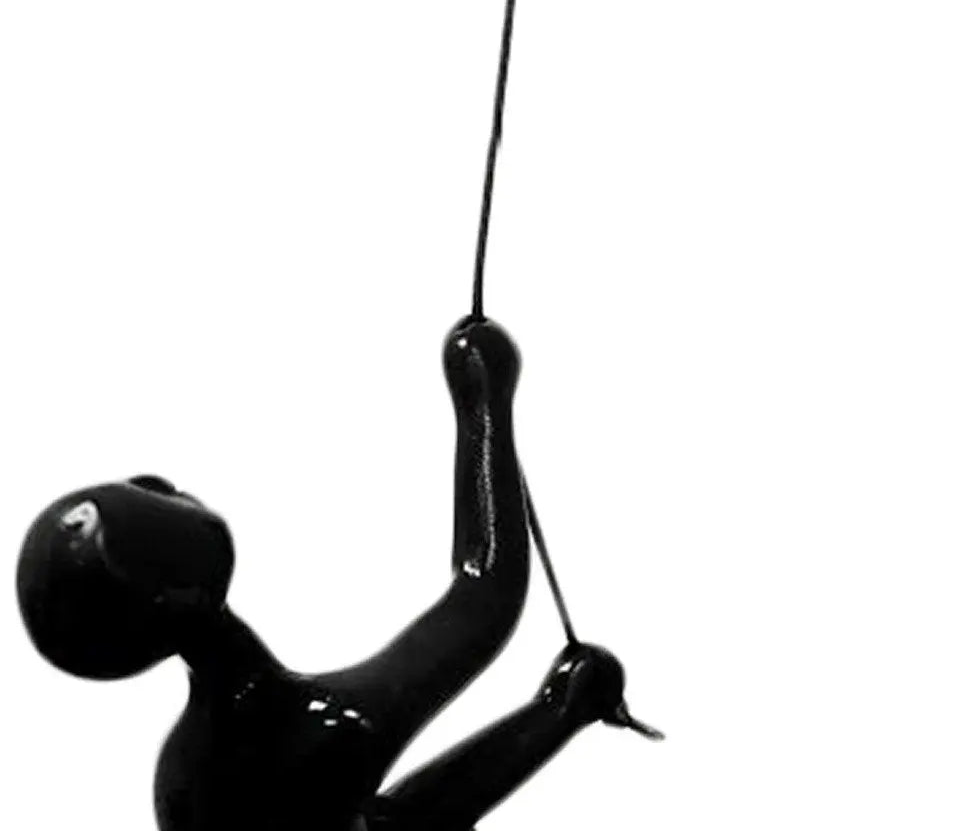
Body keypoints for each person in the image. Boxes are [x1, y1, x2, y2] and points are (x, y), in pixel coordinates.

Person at [17, 317, 645, 831]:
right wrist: (483, 402)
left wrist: (558, 710)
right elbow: (485, 596)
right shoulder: (315, 734)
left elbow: (401, 815)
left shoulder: (186, 778)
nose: (163, 485)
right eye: (154, 495)